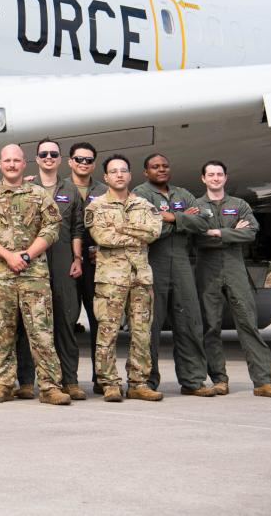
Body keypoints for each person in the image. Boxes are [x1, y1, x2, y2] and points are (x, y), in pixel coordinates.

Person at [0, 144, 71, 405]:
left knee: (41, 332)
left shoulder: (39, 195)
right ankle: (3, 384)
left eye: (16, 160)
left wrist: (26, 255)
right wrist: (7, 255)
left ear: (23, 163)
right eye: (7, 161)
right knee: (2, 333)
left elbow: (51, 229)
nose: (12, 165)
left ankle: (50, 387)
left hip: (33, 274)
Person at [194, 161, 271, 398]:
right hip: (208, 271)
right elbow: (196, 238)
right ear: (203, 179)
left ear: (226, 178)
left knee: (248, 324)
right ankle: (219, 380)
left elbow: (251, 233)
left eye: (220, 174)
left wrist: (217, 232)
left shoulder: (239, 205)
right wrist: (233, 232)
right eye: (211, 175)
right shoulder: (195, 206)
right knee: (210, 327)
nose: (215, 178)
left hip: (236, 269)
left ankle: (263, 382)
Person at [133, 154, 215, 396]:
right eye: (155, 167)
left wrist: (172, 217)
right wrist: (183, 220)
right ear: (146, 172)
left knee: (189, 322)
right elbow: (148, 229)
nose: (161, 170)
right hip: (152, 263)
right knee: (150, 324)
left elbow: (203, 223)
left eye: (165, 166)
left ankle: (193, 381)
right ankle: (146, 382)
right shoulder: (141, 193)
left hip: (181, 264)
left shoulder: (182, 193)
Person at [85, 154, 162, 402]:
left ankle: (139, 382)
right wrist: (136, 235)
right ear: (106, 177)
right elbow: (102, 237)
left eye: (123, 171)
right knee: (107, 332)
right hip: (110, 280)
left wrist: (120, 229)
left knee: (142, 332)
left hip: (140, 278)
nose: (119, 175)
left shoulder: (144, 204)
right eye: (114, 171)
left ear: (130, 175)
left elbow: (154, 232)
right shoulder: (96, 206)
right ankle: (109, 383)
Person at [26, 138, 86, 400]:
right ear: (37, 159)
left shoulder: (70, 190)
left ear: (61, 159)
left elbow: (77, 228)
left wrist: (77, 258)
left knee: (65, 320)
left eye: (53, 154)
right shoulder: (27, 188)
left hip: (63, 259)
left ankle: (70, 381)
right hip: (34, 261)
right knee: (30, 324)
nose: (48, 157)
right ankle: (27, 381)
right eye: (43, 154)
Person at [68, 141, 107, 394]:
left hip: (98, 264)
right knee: (66, 320)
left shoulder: (105, 190)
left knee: (100, 320)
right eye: (79, 159)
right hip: (68, 264)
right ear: (70, 161)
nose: (84, 164)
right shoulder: (58, 188)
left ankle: (102, 377)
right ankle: (68, 379)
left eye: (88, 160)